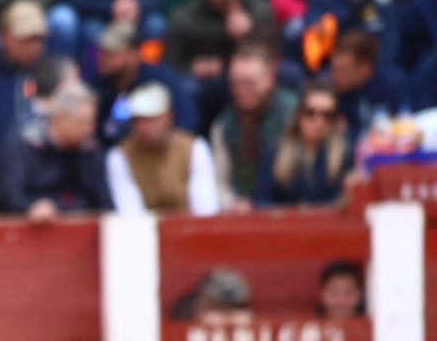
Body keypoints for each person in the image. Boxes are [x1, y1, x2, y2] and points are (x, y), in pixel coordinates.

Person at [0, 83, 112, 216]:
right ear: (60, 118)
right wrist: (30, 208)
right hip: (31, 228)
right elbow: (10, 196)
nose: (89, 130)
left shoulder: (91, 149)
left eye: (92, 123)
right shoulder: (23, 143)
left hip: (82, 227)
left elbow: (105, 203)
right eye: (82, 122)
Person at [105, 82, 219, 213]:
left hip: (189, 227)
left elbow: (205, 206)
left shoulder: (194, 147)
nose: (144, 127)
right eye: (138, 120)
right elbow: (129, 211)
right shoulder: (119, 155)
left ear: (169, 116)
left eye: (151, 119)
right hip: (143, 230)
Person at [209, 39, 296, 208]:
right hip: (240, 216)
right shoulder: (223, 125)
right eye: (236, 83)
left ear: (270, 79)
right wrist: (233, 203)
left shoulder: (293, 115)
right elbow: (219, 183)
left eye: (250, 83)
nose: (242, 91)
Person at [91, 19, 200, 145]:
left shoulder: (159, 78)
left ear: (134, 54)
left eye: (112, 54)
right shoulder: (98, 83)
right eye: (101, 52)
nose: (103, 59)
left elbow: (187, 119)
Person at [254, 82, 352, 205]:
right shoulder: (274, 153)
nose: (319, 121)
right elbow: (261, 200)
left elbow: (344, 201)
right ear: (298, 114)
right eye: (310, 112)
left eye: (327, 115)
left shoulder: (344, 156)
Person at [0, 0, 49, 144]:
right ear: (4, 36)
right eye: (26, 39)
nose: (35, 47)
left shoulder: (51, 75)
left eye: (39, 39)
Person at [51, 0, 171, 53]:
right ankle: (92, 77)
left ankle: (149, 70)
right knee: (91, 30)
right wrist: (110, 6)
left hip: (137, 12)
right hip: (94, 13)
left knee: (156, 25)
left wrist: (138, 4)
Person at [327, 29, 405, 141]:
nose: (335, 77)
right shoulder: (333, 94)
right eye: (334, 70)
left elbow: (406, 122)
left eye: (343, 71)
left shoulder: (392, 84)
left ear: (365, 68)